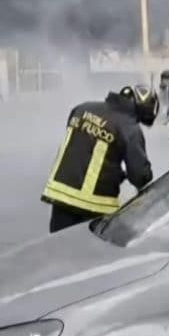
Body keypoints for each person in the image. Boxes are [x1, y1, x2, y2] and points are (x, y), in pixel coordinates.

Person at [41, 85, 158, 233]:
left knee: (59, 249)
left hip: (61, 195)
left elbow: (85, 150)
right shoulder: (129, 126)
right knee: (92, 253)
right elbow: (139, 175)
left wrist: (116, 172)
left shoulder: (81, 109)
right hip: (94, 203)